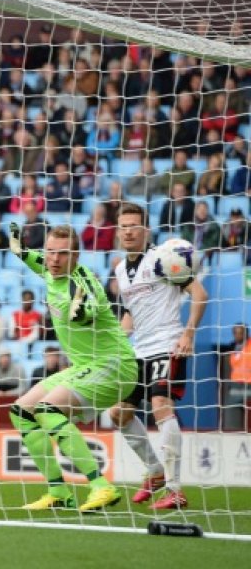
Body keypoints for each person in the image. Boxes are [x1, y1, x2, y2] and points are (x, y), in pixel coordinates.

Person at [7, 222, 137, 512]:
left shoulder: (83, 283)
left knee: (47, 409)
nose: (54, 259)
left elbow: (85, 310)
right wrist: (18, 250)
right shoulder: (49, 268)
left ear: (75, 256)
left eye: (62, 254)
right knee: (21, 412)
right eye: (50, 252)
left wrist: (78, 313)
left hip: (114, 365)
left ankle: (101, 486)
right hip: (87, 365)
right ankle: (59, 491)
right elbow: (35, 259)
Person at [108, 203, 208, 510]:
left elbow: (200, 295)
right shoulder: (120, 270)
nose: (128, 231)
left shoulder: (164, 259)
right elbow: (131, 316)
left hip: (167, 344)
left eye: (134, 225)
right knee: (118, 414)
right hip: (139, 352)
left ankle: (175, 489)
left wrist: (188, 333)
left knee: (160, 406)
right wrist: (115, 343)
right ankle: (155, 472)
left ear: (145, 229)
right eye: (123, 226)